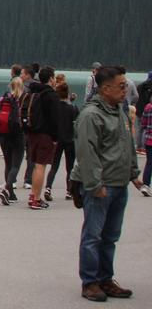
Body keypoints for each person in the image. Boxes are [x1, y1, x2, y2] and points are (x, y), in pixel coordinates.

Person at [71, 65, 144, 302]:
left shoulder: (118, 111)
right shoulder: (91, 116)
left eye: (126, 85)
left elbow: (127, 145)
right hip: (101, 185)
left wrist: (133, 173)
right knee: (93, 235)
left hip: (119, 183)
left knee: (110, 236)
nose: (126, 90)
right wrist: (94, 185)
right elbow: (86, 153)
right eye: (121, 86)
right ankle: (90, 282)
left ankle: (105, 278)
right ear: (105, 88)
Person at [23, 66, 59, 210]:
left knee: (36, 164)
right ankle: (35, 198)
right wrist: (56, 137)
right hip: (45, 134)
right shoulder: (50, 95)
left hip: (32, 132)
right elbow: (55, 119)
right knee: (40, 165)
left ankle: (33, 195)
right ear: (50, 78)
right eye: (54, 77)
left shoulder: (33, 90)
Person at [45, 81, 78, 202]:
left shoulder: (55, 108)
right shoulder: (73, 108)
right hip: (70, 140)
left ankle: (48, 187)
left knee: (54, 166)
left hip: (57, 140)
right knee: (70, 168)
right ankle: (69, 191)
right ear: (67, 94)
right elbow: (77, 125)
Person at [0, 77, 26, 206]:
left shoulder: (4, 99)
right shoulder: (23, 99)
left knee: (8, 164)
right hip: (18, 135)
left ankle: (11, 194)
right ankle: (7, 189)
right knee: (15, 166)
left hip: (4, 135)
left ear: (11, 86)